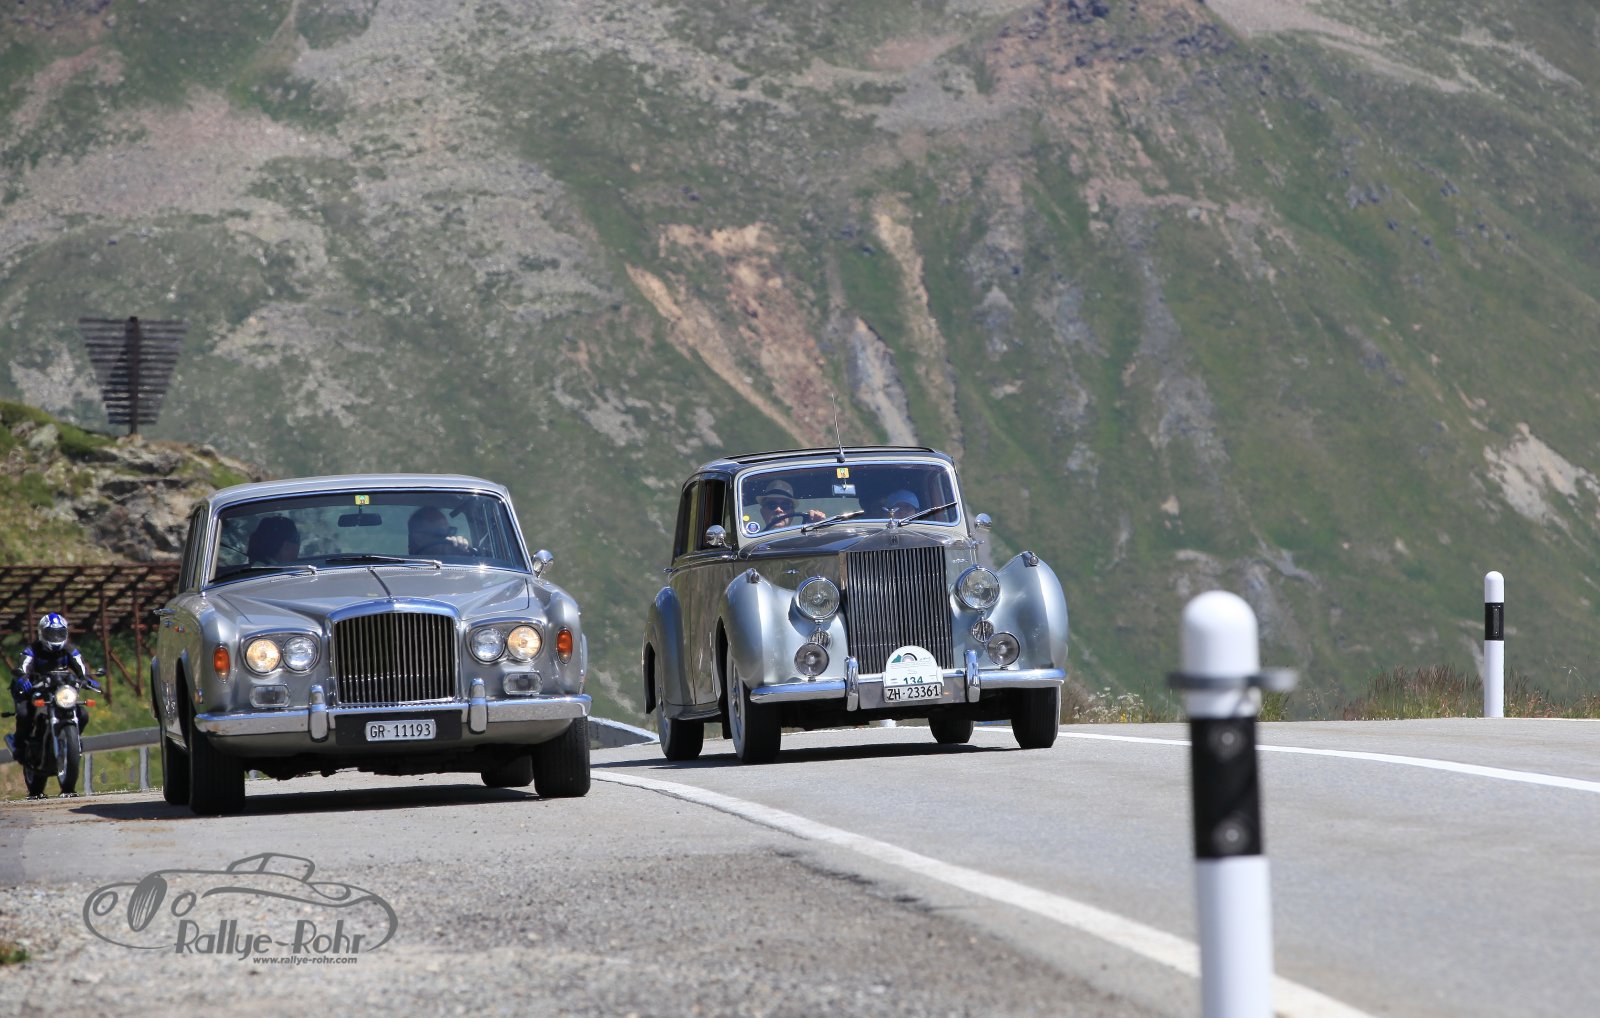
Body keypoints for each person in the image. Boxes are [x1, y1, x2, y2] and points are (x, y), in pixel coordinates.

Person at [8, 613, 91, 758]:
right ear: (42, 633)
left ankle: (74, 741)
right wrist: (23, 679)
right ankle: (19, 746)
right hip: (37, 691)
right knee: (23, 714)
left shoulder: (69, 649)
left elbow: (81, 667)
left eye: (59, 633)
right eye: (51, 634)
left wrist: (86, 679)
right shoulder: (32, 650)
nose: (55, 638)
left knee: (83, 715)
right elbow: (23, 667)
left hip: (61, 691)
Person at [755, 479, 824, 531]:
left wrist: (816, 526)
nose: (778, 510)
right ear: (763, 512)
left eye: (785, 505)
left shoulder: (803, 537)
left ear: (792, 512)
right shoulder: (752, 542)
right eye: (772, 505)